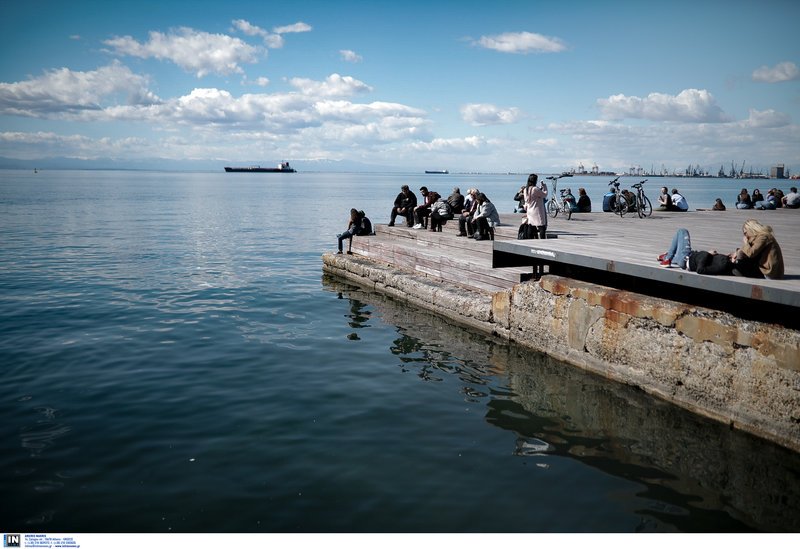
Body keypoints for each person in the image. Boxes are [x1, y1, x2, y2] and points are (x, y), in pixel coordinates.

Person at [657, 228, 733, 275]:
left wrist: (708, 254)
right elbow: (710, 263)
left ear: (735, 258)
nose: (733, 253)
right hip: (687, 259)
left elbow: (700, 269)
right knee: (677, 257)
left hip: (687, 257)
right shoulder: (726, 262)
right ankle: (666, 256)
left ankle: (667, 259)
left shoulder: (723, 264)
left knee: (682, 231)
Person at [523, 173, 548, 239]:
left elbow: (527, 199)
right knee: (541, 226)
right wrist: (544, 187)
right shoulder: (535, 189)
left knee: (531, 225)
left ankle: (530, 239)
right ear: (535, 180)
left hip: (530, 210)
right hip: (537, 210)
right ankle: (543, 240)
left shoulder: (526, 189)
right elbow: (544, 194)